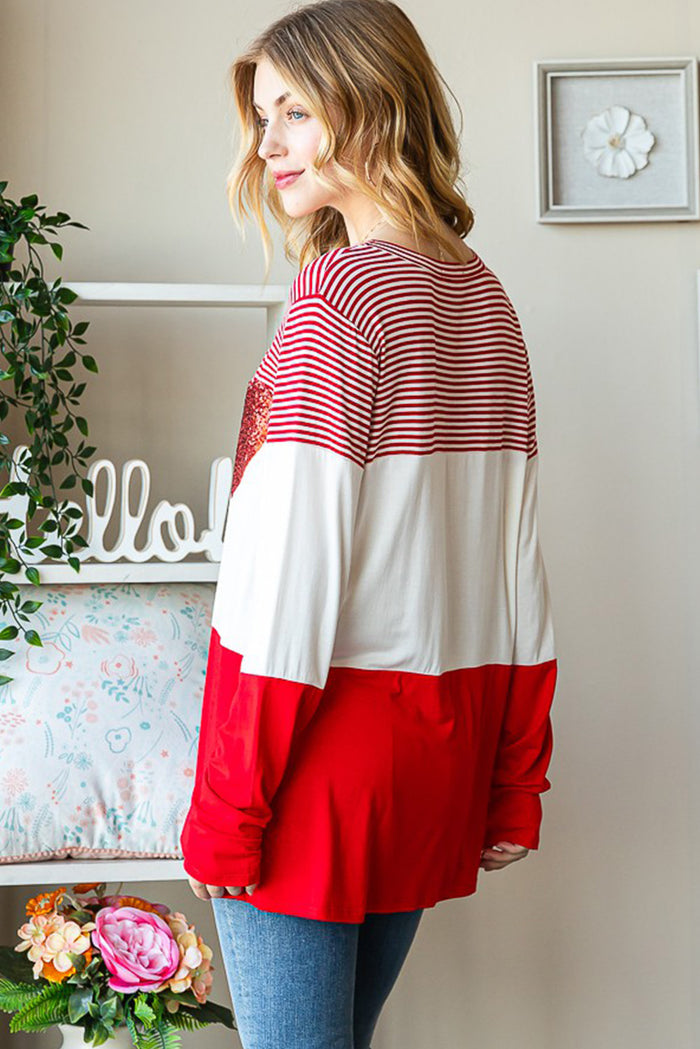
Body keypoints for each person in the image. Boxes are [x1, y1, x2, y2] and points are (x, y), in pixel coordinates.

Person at [180, 0, 558, 1045]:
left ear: (371, 104)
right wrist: (513, 778)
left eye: (295, 112)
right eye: (263, 118)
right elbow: (511, 565)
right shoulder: (481, 296)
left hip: (312, 767)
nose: (268, 147)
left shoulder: (338, 294)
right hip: (430, 758)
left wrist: (225, 809)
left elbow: (284, 579)